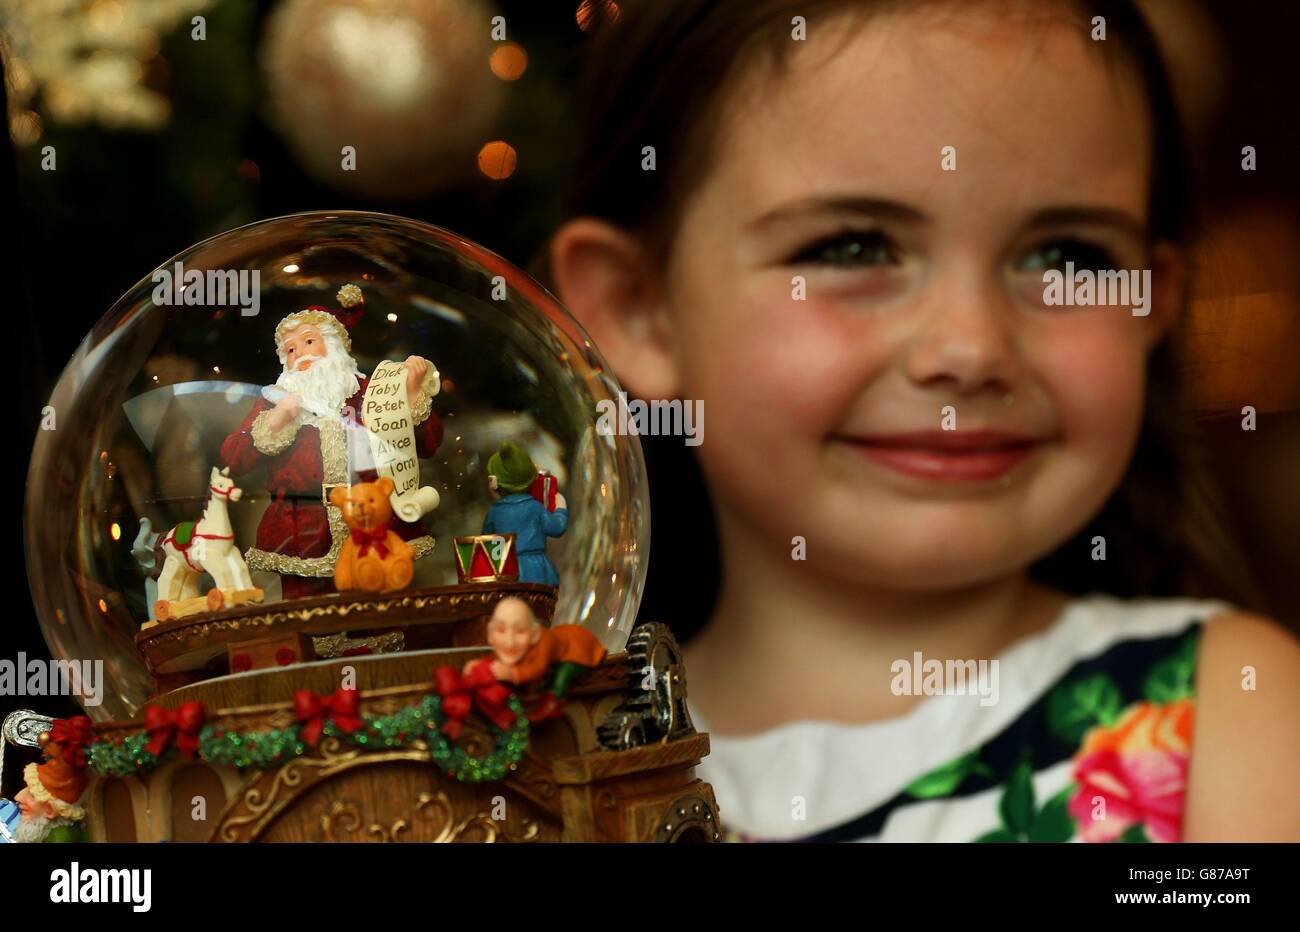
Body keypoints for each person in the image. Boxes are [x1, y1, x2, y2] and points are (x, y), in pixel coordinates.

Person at [547, 0, 1300, 841]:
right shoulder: (529, 768)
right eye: (854, 247)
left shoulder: (1227, 716)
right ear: (640, 308)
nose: (971, 349)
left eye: (1067, 257)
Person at [221, 287, 443, 598]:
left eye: (309, 341)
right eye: (291, 350)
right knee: (308, 614)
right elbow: (234, 459)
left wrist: (411, 394)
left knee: (378, 606)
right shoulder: (275, 401)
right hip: (300, 532)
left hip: (373, 523)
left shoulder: (370, 392)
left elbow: (428, 445)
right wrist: (277, 419)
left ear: (335, 345)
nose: (301, 355)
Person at [481, 441, 568, 587]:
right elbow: (557, 527)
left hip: (506, 569)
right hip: (537, 569)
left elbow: (486, 543)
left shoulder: (494, 513)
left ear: (495, 483)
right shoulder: (535, 507)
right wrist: (561, 508)